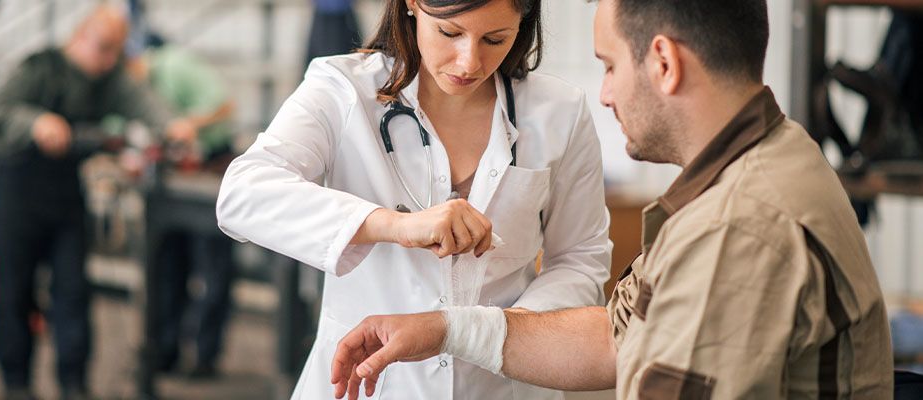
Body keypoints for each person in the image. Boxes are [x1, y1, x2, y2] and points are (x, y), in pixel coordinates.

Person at [330, 0, 895, 398]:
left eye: (609, 66)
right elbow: (617, 339)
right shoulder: (761, 164)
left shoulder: (740, 226)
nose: (602, 94)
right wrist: (443, 329)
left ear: (664, 63)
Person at [216, 0, 612, 397]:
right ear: (412, 5)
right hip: (369, 384)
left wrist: (499, 335)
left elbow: (580, 257)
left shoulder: (559, 111)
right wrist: (394, 225)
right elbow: (243, 193)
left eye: (495, 39)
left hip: (505, 385)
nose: (468, 62)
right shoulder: (342, 89)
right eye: (450, 33)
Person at [0, 5, 168, 399]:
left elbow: (147, 107)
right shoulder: (40, 69)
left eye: (116, 50)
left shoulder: (110, 78)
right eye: (102, 48)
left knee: (73, 293)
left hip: (66, 198)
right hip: (18, 195)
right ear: (79, 37)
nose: (108, 60)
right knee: (13, 294)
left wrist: (170, 127)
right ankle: (16, 386)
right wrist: (35, 123)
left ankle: (74, 385)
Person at [132, 33, 239, 378]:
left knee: (212, 270)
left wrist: (187, 125)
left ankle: (205, 356)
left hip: (210, 169)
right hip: (172, 175)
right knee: (166, 267)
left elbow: (225, 105)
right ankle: (164, 352)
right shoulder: (135, 87)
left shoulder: (175, 65)